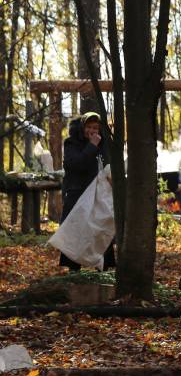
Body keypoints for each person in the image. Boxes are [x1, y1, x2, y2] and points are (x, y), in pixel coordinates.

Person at [59, 112, 116, 270]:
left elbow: (108, 165)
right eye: (89, 127)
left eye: (95, 128)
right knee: (75, 229)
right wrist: (91, 146)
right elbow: (75, 165)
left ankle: (104, 267)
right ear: (82, 128)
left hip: (99, 194)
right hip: (77, 193)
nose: (92, 131)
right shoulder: (71, 143)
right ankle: (73, 268)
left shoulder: (105, 143)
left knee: (101, 228)